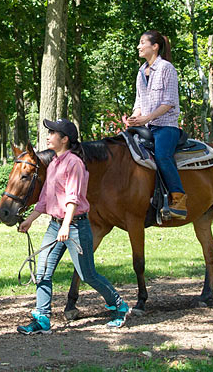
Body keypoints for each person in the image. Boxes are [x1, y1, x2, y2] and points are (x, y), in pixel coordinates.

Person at [16, 118, 130, 334]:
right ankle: (42, 319)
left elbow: (73, 199)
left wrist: (66, 226)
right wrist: (30, 220)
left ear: (65, 139)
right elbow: (46, 197)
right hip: (54, 226)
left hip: (75, 227)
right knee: (42, 272)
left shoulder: (74, 164)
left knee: (88, 274)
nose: (48, 136)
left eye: (52, 133)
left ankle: (119, 306)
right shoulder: (54, 164)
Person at [127, 30, 187, 219]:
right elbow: (139, 102)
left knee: (162, 155)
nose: (138, 46)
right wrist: (134, 117)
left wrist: (147, 118)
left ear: (155, 46)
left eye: (142, 42)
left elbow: (169, 102)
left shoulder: (166, 68)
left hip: (165, 126)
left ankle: (178, 198)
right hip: (146, 126)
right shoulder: (140, 71)